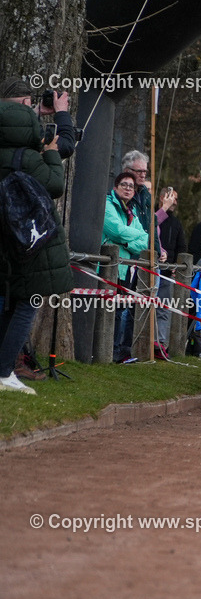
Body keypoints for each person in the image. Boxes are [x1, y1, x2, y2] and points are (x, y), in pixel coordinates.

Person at [0, 93, 73, 393]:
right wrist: (52, 151)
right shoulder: (29, 157)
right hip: (27, 244)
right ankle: (5, 372)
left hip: (4, 242)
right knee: (27, 304)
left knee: (8, 304)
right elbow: (55, 184)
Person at [104, 172, 150, 362]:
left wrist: (127, 244)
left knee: (119, 312)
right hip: (106, 268)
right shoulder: (108, 204)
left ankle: (115, 354)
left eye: (131, 186)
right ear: (116, 187)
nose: (128, 188)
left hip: (124, 268)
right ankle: (105, 354)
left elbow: (146, 239)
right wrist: (131, 237)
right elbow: (115, 230)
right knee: (105, 311)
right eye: (124, 184)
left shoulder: (131, 210)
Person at [155, 187, 187, 355]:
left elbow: (182, 247)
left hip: (167, 274)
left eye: (176, 199)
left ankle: (160, 343)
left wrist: (176, 266)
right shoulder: (153, 216)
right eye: (171, 197)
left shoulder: (176, 223)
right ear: (162, 197)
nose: (174, 202)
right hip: (151, 270)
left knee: (164, 310)